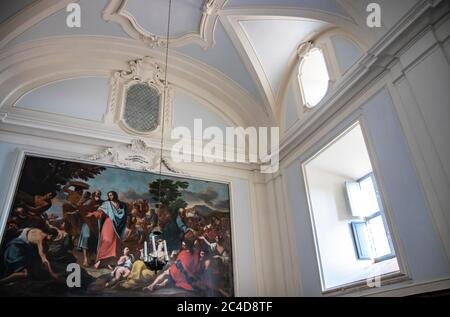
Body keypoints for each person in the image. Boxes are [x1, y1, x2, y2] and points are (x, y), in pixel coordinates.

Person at [87, 191, 127, 269]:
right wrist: (92, 214)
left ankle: (109, 262)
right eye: (109, 195)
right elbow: (100, 212)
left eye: (111, 195)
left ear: (115, 195)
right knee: (106, 241)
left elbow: (122, 215)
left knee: (114, 243)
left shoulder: (121, 204)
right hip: (108, 223)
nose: (110, 196)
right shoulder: (107, 204)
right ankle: (100, 260)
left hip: (117, 226)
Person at [77, 190, 103, 267]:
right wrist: (92, 207)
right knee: (86, 239)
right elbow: (82, 208)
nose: (98, 195)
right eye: (97, 193)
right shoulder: (89, 201)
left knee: (94, 241)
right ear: (94, 194)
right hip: (87, 223)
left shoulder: (101, 203)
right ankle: (85, 259)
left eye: (99, 194)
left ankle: (91, 258)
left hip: (96, 224)